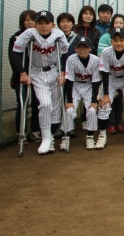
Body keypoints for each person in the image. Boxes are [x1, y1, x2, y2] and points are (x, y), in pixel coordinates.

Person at [11, 10, 69, 155]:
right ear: (36, 24)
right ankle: (46, 138)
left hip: (54, 72)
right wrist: (22, 73)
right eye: (40, 23)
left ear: (53, 25)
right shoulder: (29, 34)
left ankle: (51, 138)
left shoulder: (58, 35)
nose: (43, 26)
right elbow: (15, 52)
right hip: (37, 73)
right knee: (45, 104)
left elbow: (64, 54)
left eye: (46, 23)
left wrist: (63, 73)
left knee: (56, 108)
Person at [99, 28, 124, 147]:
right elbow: (105, 73)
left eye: (121, 40)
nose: (119, 43)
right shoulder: (106, 52)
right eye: (115, 40)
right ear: (111, 41)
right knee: (104, 106)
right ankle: (102, 136)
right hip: (111, 78)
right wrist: (106, 95)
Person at [9, 10, 41, 143]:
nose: (30, 23)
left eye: (33, 20)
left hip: (37, 75)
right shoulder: (16, 37)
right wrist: (22, 73)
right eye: (27, 20)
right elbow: (13, 57)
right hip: (21, 76)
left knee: (37, 104)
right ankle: (21, 132)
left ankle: (35, 130)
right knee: (22, 104)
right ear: (22, 22)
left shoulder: (40, 37)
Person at [64, 37, 101, 150]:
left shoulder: (95, 60)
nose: (82, 49)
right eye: (80, 47)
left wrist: (94, 101)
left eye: (85, 47)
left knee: (92, 110)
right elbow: (69, 80)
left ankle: (90, 137)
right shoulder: (71, 59)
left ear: (90, 48)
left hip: (89, 86)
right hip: (75, 85)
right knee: (69, 110)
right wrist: (69, 100)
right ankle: (66, 137)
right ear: (75, 48)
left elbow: (96, 81)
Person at [97, 14, 124, 134]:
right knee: (108, 99)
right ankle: (110, 124)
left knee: (119, 99)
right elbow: (100, 55)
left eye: (121, 22)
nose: (118, 24)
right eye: (116, 22)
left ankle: (118, 122)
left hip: (123, 74)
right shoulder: (105, 37)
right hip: (110, 73)